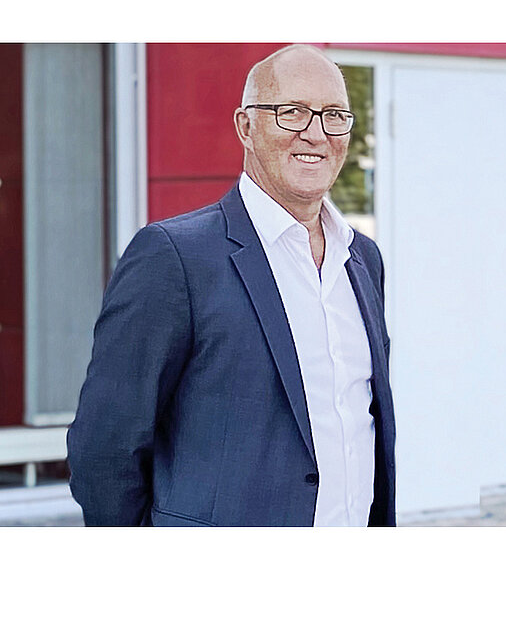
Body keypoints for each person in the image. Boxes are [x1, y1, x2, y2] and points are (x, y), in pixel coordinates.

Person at [68, 44, 395, 526]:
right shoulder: (173, 257)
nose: (316, 133)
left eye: (334, 115)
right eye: (292, 112)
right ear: (246, 126)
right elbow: (105, 447)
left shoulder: (361, 258)